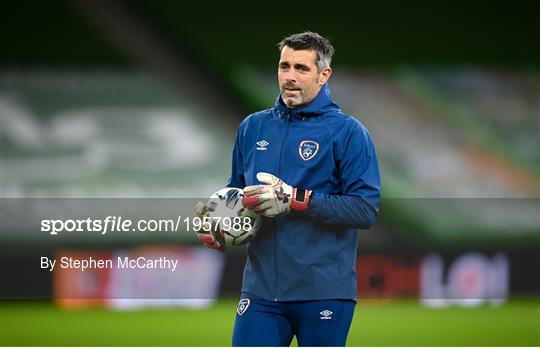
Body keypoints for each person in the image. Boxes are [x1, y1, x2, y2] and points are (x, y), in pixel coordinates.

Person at [194, 31, 381, 346]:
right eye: (284, 66)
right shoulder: (252, 127)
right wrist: (220, 224)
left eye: (301, 68)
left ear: (324, 75)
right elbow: (237, 195)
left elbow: (365, 209)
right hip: (261, 292)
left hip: (324, 292)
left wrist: (297, 200)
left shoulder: (348, 133)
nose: (290, 77)